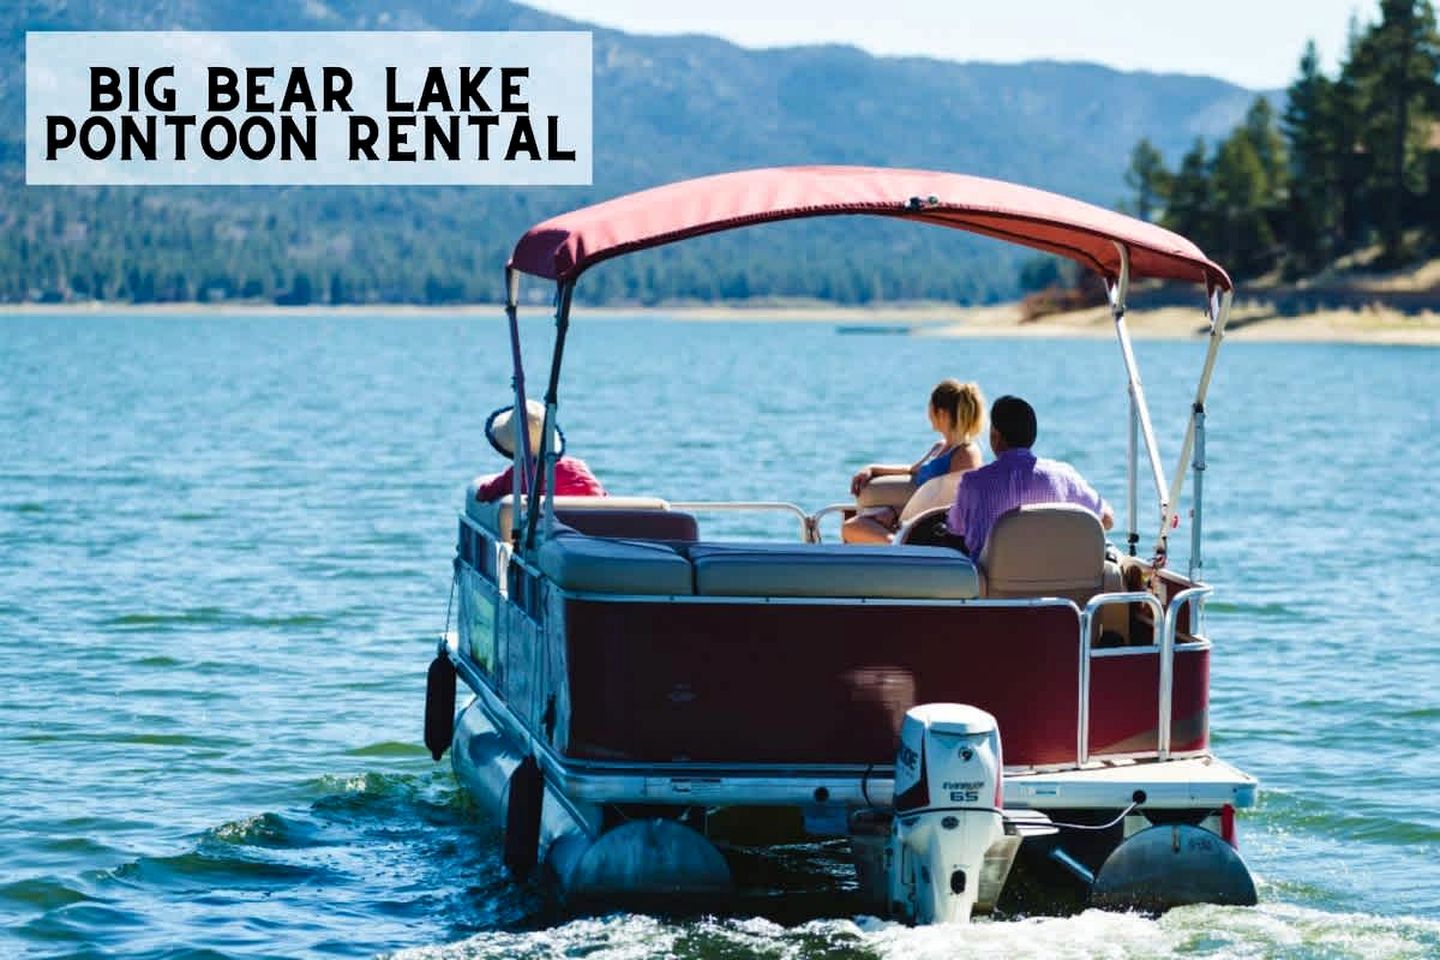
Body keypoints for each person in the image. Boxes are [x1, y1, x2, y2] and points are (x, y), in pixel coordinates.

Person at [941, 395, 1113, 557]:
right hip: (1056, 576)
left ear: (995, 436)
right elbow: (1106, 519)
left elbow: (955, 528)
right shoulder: (1064, 476)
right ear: (1032, 435)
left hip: (992, 579)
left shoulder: (973, 483)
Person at [842, 380, 986, 544]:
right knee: (852, 526)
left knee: (856, 529)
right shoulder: (939, 447)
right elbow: (911, 470)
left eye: (930, 407)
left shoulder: (966, 454)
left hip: (935, 529)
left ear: (941, 413)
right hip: (914, 521)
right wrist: (872, 469)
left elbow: (956, 503)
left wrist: (896, 512)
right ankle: (898, 544)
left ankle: (900, 546)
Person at [475, 399, 606, 502]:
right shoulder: (578, 466)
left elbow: (483, 494)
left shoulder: (517, 475)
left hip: (548, 523)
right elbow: (601, 495)